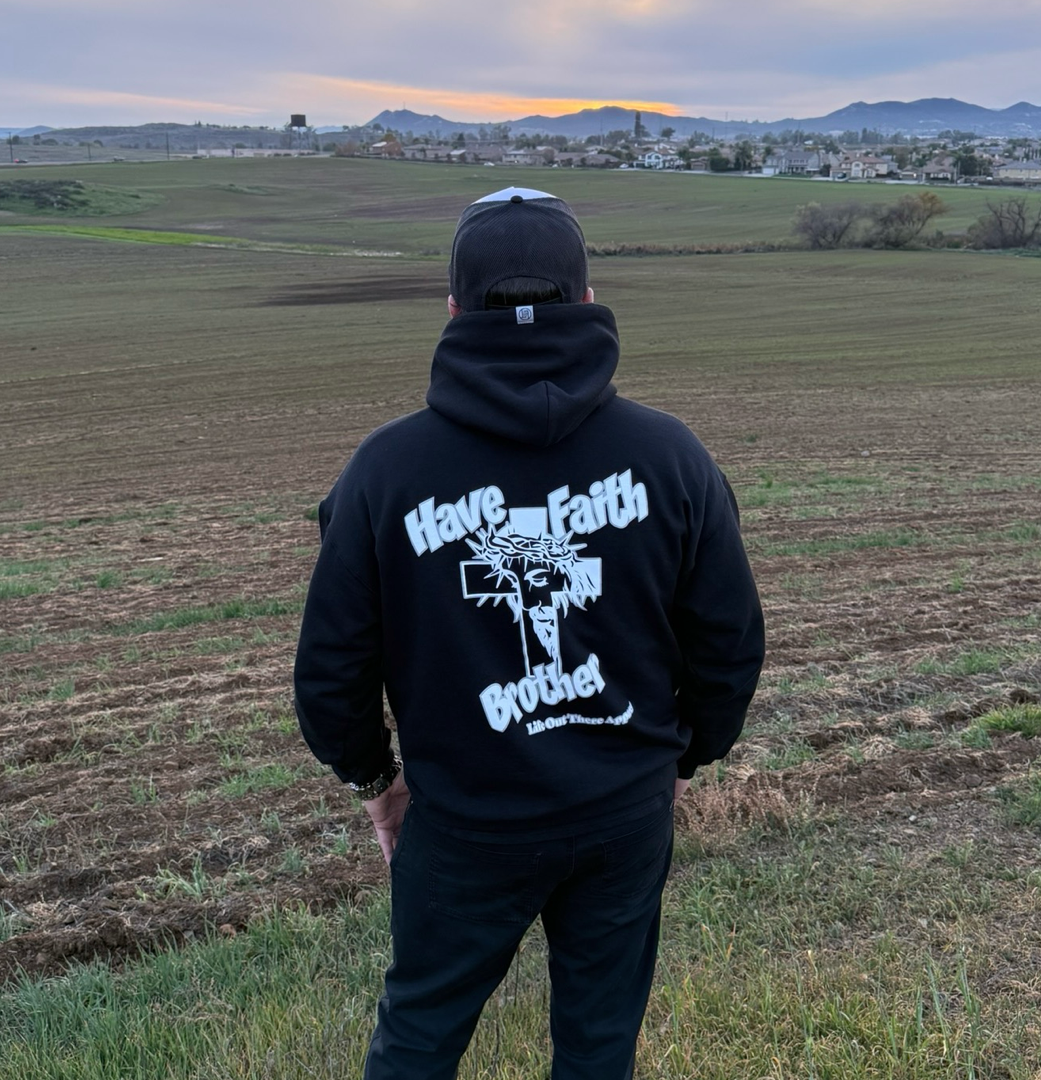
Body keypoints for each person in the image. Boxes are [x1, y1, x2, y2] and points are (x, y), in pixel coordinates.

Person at [293, 186, 765, 1080]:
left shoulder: (385, 474)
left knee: (420, 1036)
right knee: (598, 1044)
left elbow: (329, 675)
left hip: (464, 821)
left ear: (451, 311)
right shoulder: (672, 458)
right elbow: (730, 647)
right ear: (588, 302)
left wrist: (377, 781)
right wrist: (674, 758)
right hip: (621, 812)